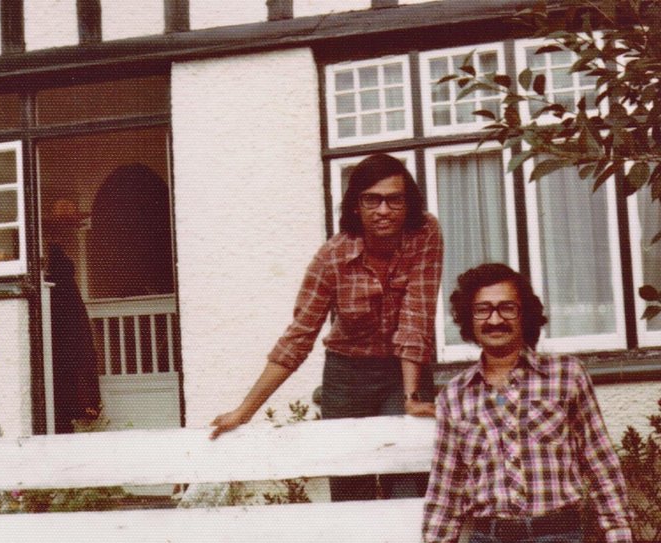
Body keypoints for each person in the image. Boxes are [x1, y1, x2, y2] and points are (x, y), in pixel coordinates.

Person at [209, 153, 443, 501]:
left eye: (394, 199)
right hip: (347, 376)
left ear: (408, 205)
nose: (383, 210)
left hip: (403, 370)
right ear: (355, 207)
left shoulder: (424, 233)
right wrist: (244, 412)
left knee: (408, 477)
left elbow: (416, 317)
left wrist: (411, 398)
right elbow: (297, 340)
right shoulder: (331, 258)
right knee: (350, 485)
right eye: (372, 200)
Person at [422, 263, 632, 543]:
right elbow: (447, 487)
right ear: (468, 319)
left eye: (507, 308)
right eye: (482, 310)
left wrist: (619, 533)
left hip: (558, 534)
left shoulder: (566, 375)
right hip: (488, 536)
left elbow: (599, 461)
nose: (495, 320)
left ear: (525, 315)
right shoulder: (454, 395)